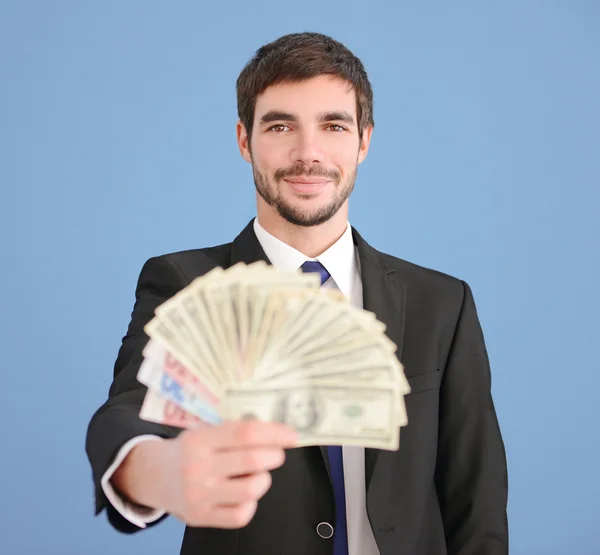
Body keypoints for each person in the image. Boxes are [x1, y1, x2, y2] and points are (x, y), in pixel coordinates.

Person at [85, 31, 509, 555]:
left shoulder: (442, 303)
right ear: (245, 141)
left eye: (333, 125)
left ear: (364, 141)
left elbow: (476, 500)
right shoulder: (184, 283)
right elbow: (127, 413)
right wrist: (156, 470)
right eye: (281, 125)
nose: (308, 154)